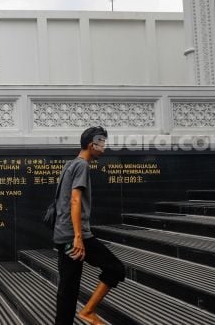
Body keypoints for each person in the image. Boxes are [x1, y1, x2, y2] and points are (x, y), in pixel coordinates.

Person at [53, 126, 125, 325]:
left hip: (63, 234)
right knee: (116, 269)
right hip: (75, 236)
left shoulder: (69, 164)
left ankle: (85, 312)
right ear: (92, 144)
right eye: (102, 143)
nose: (104, 147)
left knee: (68, 289)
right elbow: (75, 201)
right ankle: (87, 311)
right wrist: (78, 237)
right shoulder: (82, 166)